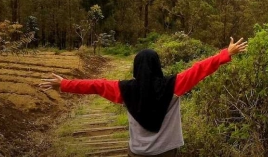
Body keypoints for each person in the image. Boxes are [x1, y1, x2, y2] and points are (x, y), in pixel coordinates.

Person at [39, 37, 248, 157]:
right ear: (158, 65)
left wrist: (64, 84)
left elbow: (95, 85)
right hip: (166, 152)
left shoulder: (124, 89)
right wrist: (225, 53)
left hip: (138, 152)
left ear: (136, 67)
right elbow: (199, 69)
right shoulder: (173, 85)